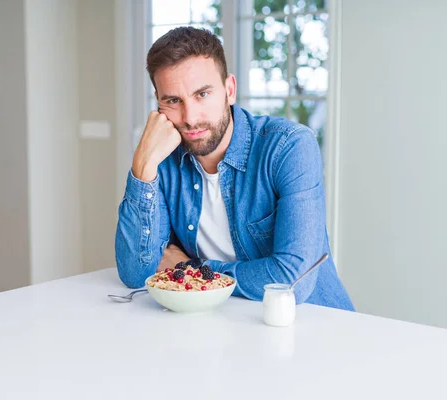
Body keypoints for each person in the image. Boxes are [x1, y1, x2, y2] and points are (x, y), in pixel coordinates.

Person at [114, 26, 354, 310]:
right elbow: (136, 274)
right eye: (173, 101)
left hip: (312, 328)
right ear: (159, 102)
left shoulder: (288, 147)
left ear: (229, 90)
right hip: (222, 327)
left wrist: (192, 270)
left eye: (202, 94)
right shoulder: (163, 157)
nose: (190, 118)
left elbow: (293, 280)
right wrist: (142, 166)